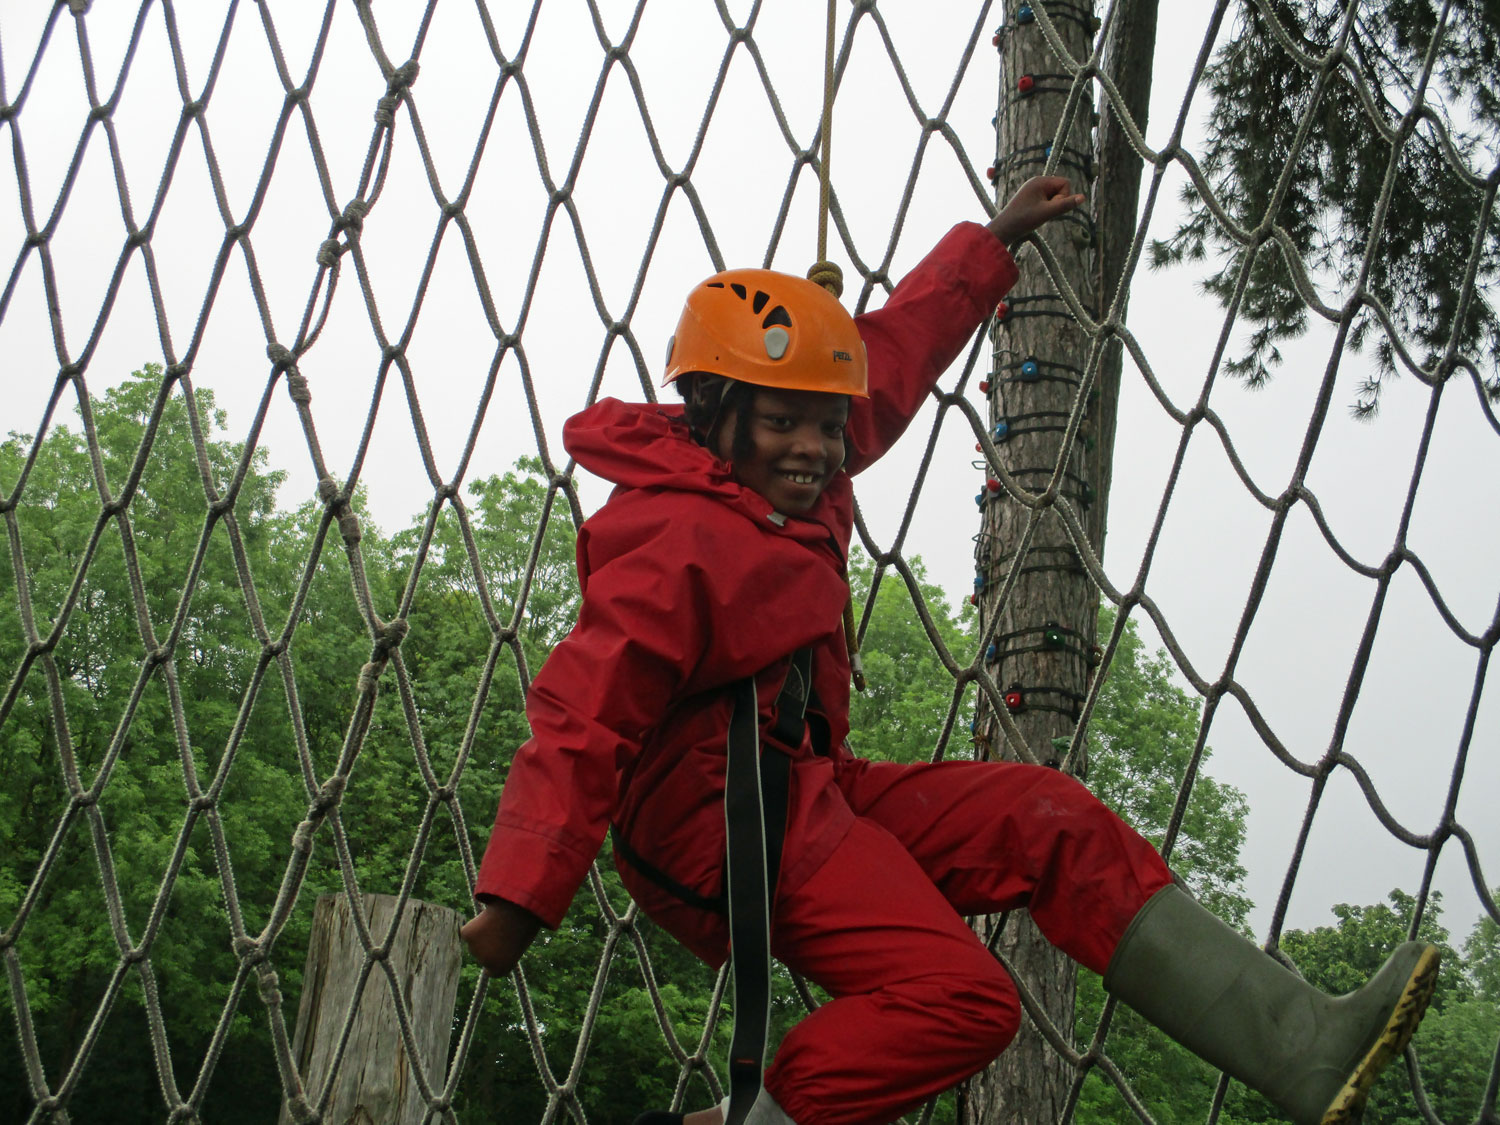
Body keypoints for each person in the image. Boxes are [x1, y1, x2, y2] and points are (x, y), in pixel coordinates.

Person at [461, 177, 1439, 1125]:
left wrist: (994, 241)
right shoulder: (673, 540)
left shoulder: (801, 474)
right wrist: (520, 897)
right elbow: (584, 715)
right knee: (963, 1000)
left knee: (1051, 822)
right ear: (718, 417)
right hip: (717, 828)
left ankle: (1300, 1044)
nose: (814, 446)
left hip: (804, 787)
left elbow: (886, 361)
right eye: (783, 421)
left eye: (827, 424)